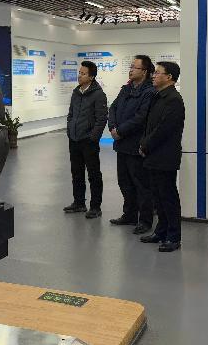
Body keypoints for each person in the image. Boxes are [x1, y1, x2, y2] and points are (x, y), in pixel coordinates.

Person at [138, 62, 185, 252]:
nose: (154, 75)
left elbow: (164, 129)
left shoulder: (174, 99)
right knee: (157, 196)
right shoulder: (158, 96)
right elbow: (149, 125)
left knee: (168, 197)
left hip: (165, 155)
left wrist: (146, 145)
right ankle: (161, 231)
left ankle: (173, 237)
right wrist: (143, 143)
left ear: (169, 77)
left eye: (158, 73)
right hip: (153, 154)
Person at [108, 55, 157, 235]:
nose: (130, 70)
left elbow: (141, 117)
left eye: (134, 67)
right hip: (121, 145)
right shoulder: (126, 89)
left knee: (142, 185)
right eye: (130, 66)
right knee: (124, 182)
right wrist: (112, 127)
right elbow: (113, 108)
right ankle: (129, 214)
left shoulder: (149, 92)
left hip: (136, 146)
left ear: (144, 71)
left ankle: (144, 220)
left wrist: (120, 131)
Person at [63, 61, 108, 219]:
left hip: (88, 141)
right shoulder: (76, 92)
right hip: (74, 139)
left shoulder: (98, 94)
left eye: (83, 73)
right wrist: (70, 130)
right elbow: (71, 114)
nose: (79, 76)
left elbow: (101, 119)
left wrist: (93, 137)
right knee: (76, 173)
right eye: (79, 73)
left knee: (93, 174)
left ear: (91, 77)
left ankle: (95, 207)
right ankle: (79, 202)